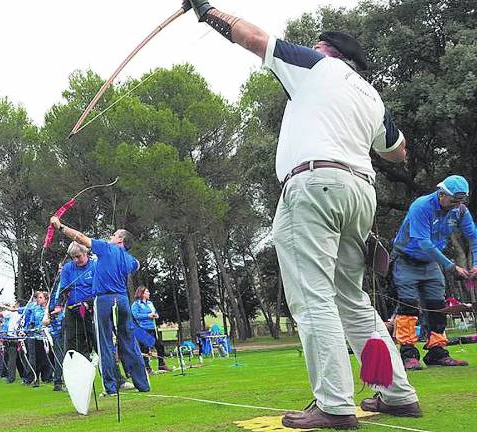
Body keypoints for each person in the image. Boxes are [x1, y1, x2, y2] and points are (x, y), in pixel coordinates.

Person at [182, 1, 419, 428]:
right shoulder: (371, 94)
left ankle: (334, 404)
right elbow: (398, 151)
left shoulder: (318, 66)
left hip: (313, 185)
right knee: (354, 302)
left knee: (314, 299)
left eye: (314, 46)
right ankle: (397, 393)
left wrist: (206, 11)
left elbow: (254, 39)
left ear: (327, 50)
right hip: (360, 192)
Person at [49, 215, 150, 396]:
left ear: (120, 240)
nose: (111, 236)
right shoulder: (129, 259)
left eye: (114, 235)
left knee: (104, 344)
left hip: (104, 300)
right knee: (128, 342)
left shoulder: (107, 248)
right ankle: (142, 384)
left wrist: (60, 227)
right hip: (123, 301)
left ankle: (110, 388)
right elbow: (137, 264)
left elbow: (80, 237)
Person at [390, 175, 476, 370]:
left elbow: (473, 237)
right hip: (406, 260)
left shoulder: (460, 211)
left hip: (431, 262)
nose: (456, 205)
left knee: (438, 306)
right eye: (454, 200)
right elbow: (424, 243)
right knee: (409, 305)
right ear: (441, 194)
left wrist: (476, 265)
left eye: (461, 201)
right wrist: (451, 267)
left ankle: (437, 352)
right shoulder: (421, 206)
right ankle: (408, 354)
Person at [59, 242, 97, 359]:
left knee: (97, 341)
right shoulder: (67, 268)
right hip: (72, 310)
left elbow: (99, 290)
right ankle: (74, 374)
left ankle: (111, 375)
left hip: (91, 309)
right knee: (71, 343)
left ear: (86, 253)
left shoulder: (95, 267)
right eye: (73, 257)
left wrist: (87, 303)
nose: (76, 259)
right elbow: (64, 289)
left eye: (78, 256)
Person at [131, 286, 169, 372]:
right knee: (144, 348)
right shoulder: (136, 304)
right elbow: (136, 316)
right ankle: (147, 368)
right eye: (147, 292)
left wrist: (156, 315)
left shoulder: (150, 304)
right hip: (143, 329)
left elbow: (155, 313)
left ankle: (161, 365)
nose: (149, 293)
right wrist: (148, 316)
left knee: (159, 346)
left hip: (153, 328)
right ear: (142, 293)